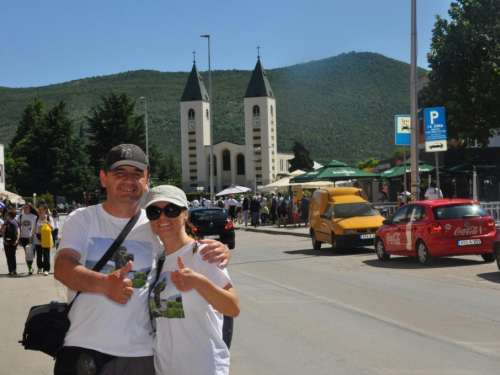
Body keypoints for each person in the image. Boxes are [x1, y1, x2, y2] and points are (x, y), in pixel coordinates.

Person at [53, 144, 231, 375]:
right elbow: (62, 268)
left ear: (147, 182)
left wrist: (218, 249)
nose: (129, 180)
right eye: (120, 173)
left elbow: (184, 247)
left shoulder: (156, 226)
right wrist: (104, 284)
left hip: (140, 355)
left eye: (137, 174)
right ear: (103, 178)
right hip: (84, 347)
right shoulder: (83, 219)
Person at [145, 185, 239, 375]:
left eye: (171, 210)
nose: (162, 217)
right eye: (154, 211)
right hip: (166, 367)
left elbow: (233, 307)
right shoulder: (157, 258)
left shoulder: (202, 253)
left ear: (185, 214)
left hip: (203, 366)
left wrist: (199, 282)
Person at [29, 204, 54, 275]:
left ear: (45, 210)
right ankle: (40, 267)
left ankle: (46, 269)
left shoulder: (49, 218)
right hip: (38, 239)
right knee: (39, 255)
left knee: (46, 255)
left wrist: (48, 223)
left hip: (46, 239)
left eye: (41, 209)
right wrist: (31, 239)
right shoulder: (36, 219)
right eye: (39, 209)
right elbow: (33, 230)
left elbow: (52, 228)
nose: (39, 211)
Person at [18, 203, 38, 275]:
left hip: (32, 237)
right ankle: (30, 267)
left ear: (30, 209)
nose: (25, 209)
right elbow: (18, 226)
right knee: (27, 253)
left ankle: (30, 265)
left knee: (32, 253)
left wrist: (33, 229)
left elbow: (37, 227)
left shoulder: (34, 216)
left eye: (27, 207)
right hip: (23, 237)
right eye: (24, 207)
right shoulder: (20, 216)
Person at [3, 209, 20, 275]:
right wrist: (16, 240)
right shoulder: (16, 223)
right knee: (13, 255)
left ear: (9, 215)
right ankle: (14, 269)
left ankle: (11, 271)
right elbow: (18, 233)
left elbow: (4, 232)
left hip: (7, 240)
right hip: (14, 241)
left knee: (8, 256)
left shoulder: (6, 222)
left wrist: (4, 240)